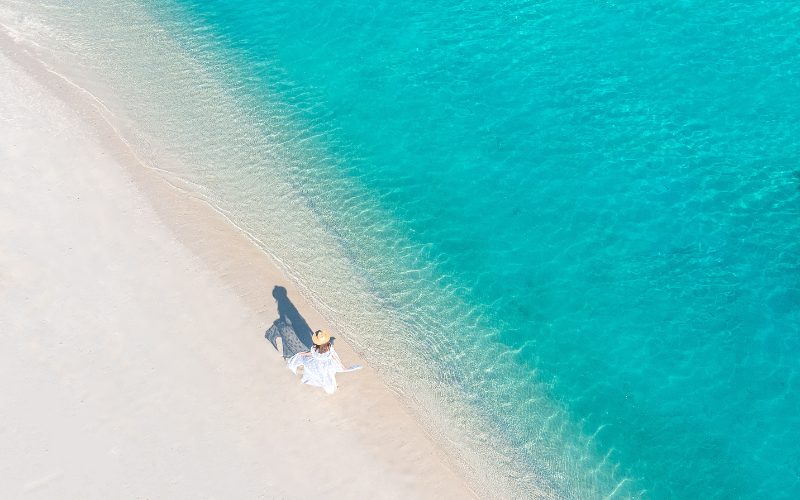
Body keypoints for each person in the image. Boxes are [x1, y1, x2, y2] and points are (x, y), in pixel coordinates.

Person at [286, 330, 362, 394]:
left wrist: (303, 353)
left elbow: (311, 353)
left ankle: (328, 384)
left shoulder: (315, 347)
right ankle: (335, 386)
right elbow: (335, 357)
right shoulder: (329, 346)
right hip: (328, 364)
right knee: (332, 374)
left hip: (318, 363)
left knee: (322, 374)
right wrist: (342, 366)